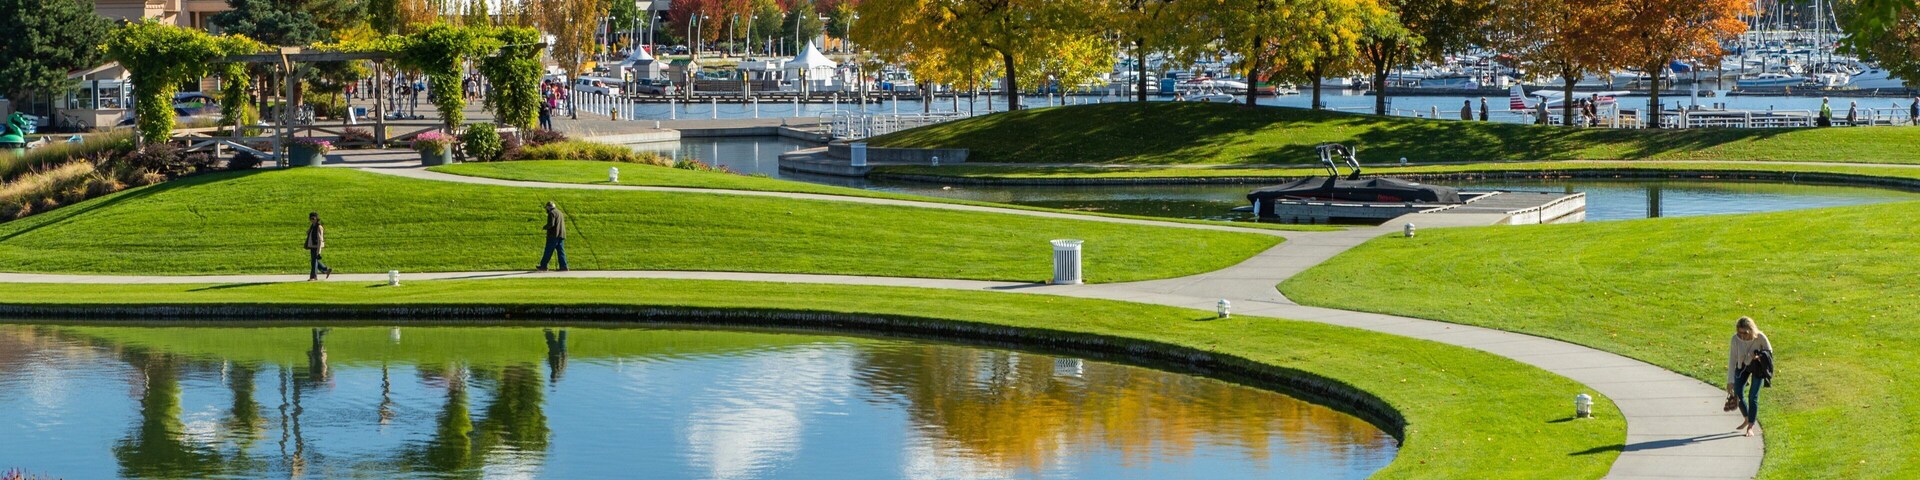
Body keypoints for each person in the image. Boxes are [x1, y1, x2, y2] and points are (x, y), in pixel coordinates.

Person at [1727, 316, 1774, 437]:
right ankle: (1747, 417)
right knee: (1737, 393)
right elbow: (1732, 360)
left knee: (1753, 396)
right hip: (1741, 366)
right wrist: (1730, 381)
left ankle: (1750, 426)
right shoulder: (1735, 339)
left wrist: (1759, 357)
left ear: (1751, 330)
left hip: (1757, 367)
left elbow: (1769, 352)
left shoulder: (1760, 337)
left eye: (1745, 333)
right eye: (1739, 332)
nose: (1742, 335)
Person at [537, 202, 569, 272]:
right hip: (561, 235)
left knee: (548, 251)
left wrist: (545, 227)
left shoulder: (551, 213)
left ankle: (543, 266)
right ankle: (564, 266)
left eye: (546, 208)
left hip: (553, 235)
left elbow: (551, 224)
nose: (546, 210)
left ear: (549, 207)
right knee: (561, 251)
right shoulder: (560, 212)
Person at [305, 212, 333, 281]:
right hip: (312, 246)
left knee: (314, 261)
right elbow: (308, 233)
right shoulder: (313, 226)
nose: (312, 220)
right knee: (314, 260)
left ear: (316, 218)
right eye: (310, 218)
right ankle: (326, 270)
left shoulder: (319, 227)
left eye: (313, 218)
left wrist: (319, 251)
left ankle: (313, 277)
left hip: (316, 246)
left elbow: (320, 239)